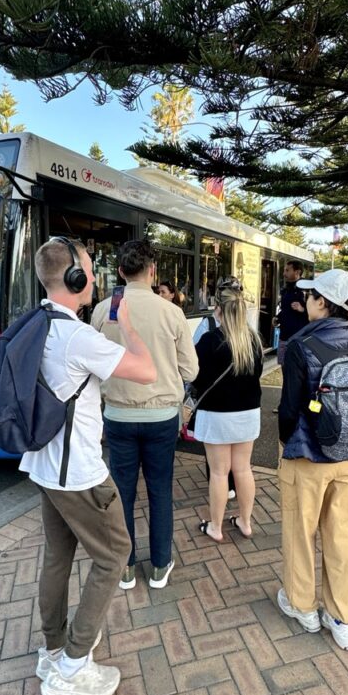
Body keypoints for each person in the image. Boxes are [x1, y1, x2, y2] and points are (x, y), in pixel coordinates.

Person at [20, 237, 156, 695]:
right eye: (90, 270)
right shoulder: (77, 336)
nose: (96, 277)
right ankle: (73, 665)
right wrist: (129, 328)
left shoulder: (35, 321)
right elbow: (145, 371)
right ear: (74, 278)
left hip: (42, 464)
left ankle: (53, 648)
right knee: (115, 553)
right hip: (78, 471)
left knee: (58, 555)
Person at [276, 269, 348, 651]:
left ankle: (302, 606)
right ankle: (342, 616)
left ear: (323, 302)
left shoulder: (303, 346)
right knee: (340, 533)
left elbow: (289, 408)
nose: (305, 302)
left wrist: (286, 442)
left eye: (311, 296)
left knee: (300, 534)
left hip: (307, 456)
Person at [91, 240, 198, 589]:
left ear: (120, 271)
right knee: (160, 489)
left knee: (122, 492)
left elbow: (91, 366)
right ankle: (159, 566)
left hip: (118, 416)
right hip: (162, 417)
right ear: (152, 270)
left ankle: (124, 567)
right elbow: (191, 370)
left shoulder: (103, 310)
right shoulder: (171, 312)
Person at [194, 279, 263, 542]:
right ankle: (245, 522)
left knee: (220, 472)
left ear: (219, 310)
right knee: (243, 469)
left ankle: (216, 526)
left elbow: (196, 377)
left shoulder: (210, 340)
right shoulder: (254, 341)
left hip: (216, 415)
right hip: (247, 412)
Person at [273, 261, 309, 366]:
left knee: (295, 370)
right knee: (284, 367)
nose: (284, 274)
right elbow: (285, 310)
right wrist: (277, 318)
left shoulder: (307, 289)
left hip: (298, 338)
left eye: (287, 270)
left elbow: (316, 314)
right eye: (284, 270)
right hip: (284, 336)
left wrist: (302, 309)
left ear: (297, 272)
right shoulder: (286, 289)